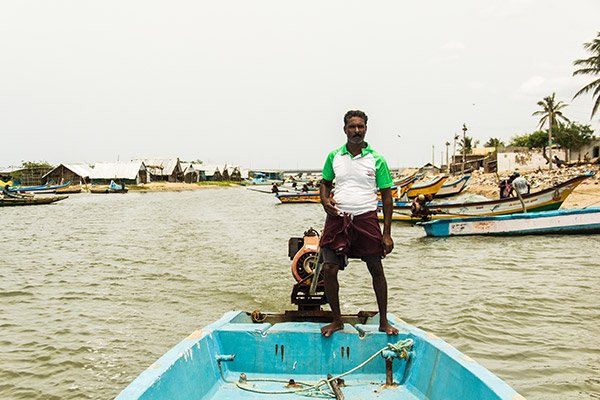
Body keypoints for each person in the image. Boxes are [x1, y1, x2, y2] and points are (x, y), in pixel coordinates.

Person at [319, 109, 398, 337]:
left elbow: (387, 196)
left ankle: (383, 321)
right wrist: (325, 200)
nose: (356, 131)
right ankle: (337, 321)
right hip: (338, 219)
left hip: (366, 217)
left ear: (366, 129)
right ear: (344, 130)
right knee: (329, 268)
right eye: (352, 127)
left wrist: (387, 233)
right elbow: (325, 182)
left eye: (360, 127)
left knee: (376, 269)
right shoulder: (334, 156)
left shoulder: (377, 159)